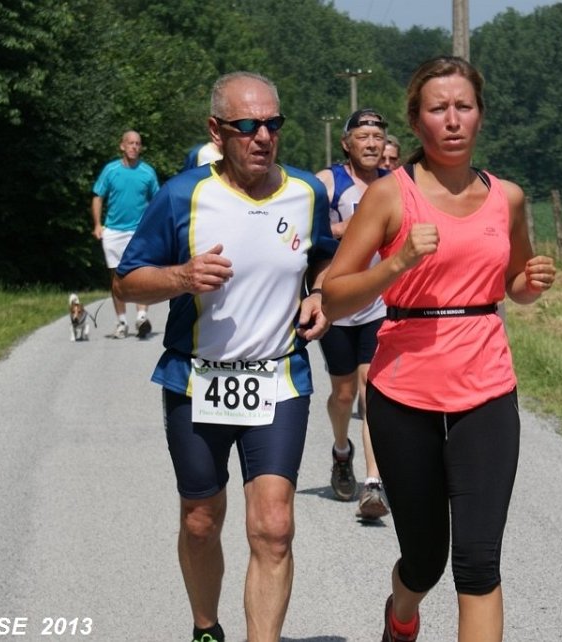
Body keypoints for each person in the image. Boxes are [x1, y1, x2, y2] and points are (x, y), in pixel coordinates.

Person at [321, 56, 556, 642]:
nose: (452, 120)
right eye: (438, 108)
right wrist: (397, 263)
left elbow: (514, 283)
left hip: (486, 391)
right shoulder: (388, 196)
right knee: (426, 559)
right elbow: (335, 298)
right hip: (405, 393)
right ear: (416, 120)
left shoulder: (508, 198)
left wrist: (529, 285)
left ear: (480, 115)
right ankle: (401, 614)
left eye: (463, 107)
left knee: (478, 562)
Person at [113, 71, 336, 642]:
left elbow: (325, 257)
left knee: (274, 528)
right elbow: (126, 283)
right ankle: (206, 628)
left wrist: (319, 292)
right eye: (247, 125)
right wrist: (182, 277)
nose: (263, 136)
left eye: (273, 124)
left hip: (277, 379)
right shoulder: (181, 195)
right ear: (216, 131)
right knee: (200, 520)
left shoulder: (306, 192)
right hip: (198, 381)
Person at [314, 108, 390, 519]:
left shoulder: (394, 184)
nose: (372, 143)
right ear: (347, 144)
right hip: (338, 305)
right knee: (343, 395)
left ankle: (373, 482)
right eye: (363, 136)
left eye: (378, 137)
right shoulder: (328, 182)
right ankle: (342, 451)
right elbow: (304, 231)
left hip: (378, 304)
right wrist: (345, 230)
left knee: (370, 391)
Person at [91, 129, 159, 339]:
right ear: (122, 146)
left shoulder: (147, 172)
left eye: (138, 143)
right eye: (130, 143)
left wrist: (155, 227)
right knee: (117, 278)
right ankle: (121, 322)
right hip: (113, 231)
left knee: (142, 274)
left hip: (139, 232)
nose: (134, 147)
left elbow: (157, 201)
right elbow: (98, 196)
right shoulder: (111, 170)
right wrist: (97, 225)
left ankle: (141, 317)